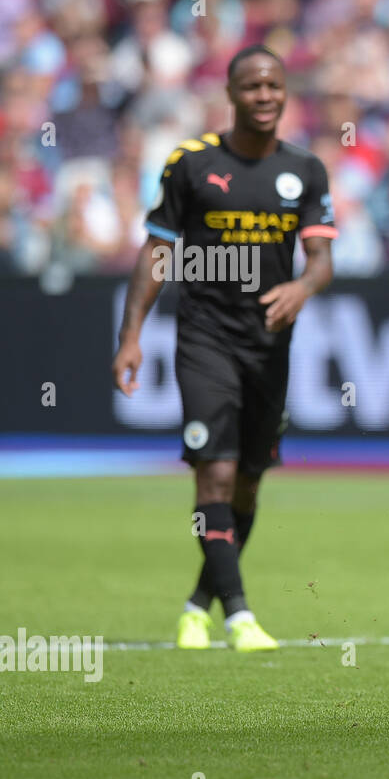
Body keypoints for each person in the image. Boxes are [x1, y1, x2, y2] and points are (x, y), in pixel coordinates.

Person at [111, 45, 337, 651]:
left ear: (285, 92)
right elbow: (158, 250)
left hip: (268, 347)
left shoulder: (306, 170)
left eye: (274, 85)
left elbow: (321, 260)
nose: (264, 95)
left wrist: (303, 286)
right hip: (205, 338)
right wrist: (131, 334)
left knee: (248, 485)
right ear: (231, 95)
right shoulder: (190, 164)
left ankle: (197, 604)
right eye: (251, 86)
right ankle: (239, 615)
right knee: (214, 472)